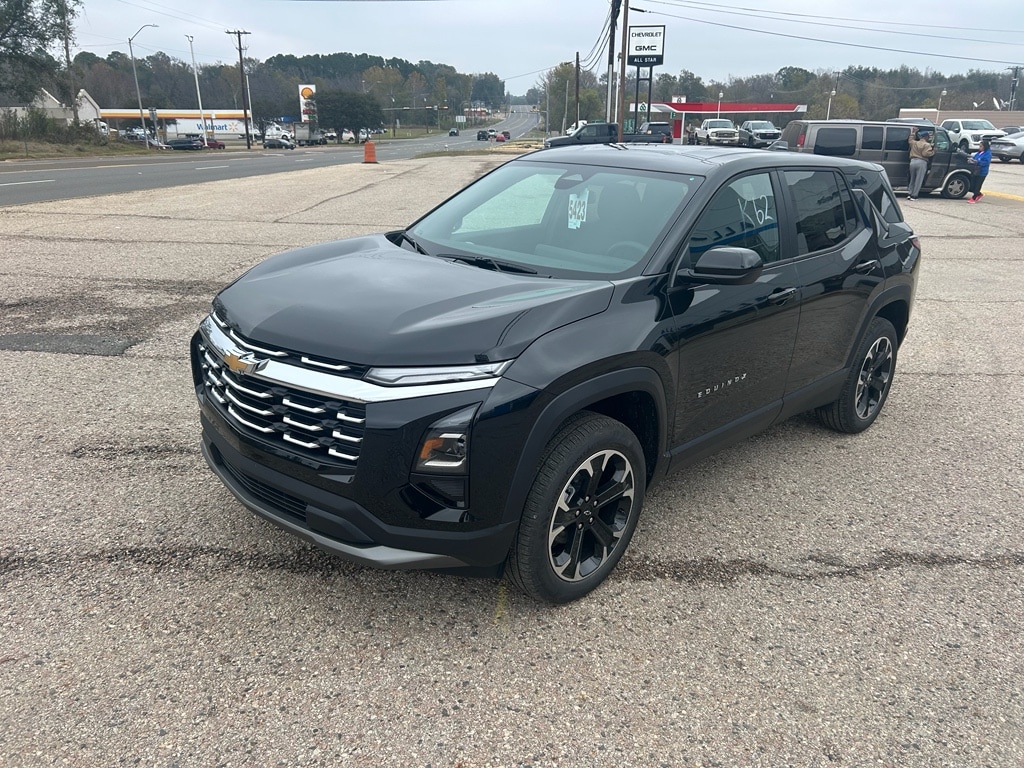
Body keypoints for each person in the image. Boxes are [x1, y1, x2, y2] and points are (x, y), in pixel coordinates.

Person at [906, 128, 936, 201]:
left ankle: (909, 193)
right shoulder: (927, 145)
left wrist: (913, 132)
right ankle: (914, 195)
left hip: (912, 161)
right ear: (926, 137)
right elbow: (925, 153)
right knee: (918, 180)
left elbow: (910, 140)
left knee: (912, 179)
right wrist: (933, 151)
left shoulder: (914, 143)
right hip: (921, 162)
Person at [967, 139, 992, 203]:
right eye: (979, 146)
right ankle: (978, 194)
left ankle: (974, 198)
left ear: (985, 147)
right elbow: (974, 158)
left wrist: (978, 162)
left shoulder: (987, 153)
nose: (979, 148)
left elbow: (986, 162)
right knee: (972, 185)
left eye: (981, 146)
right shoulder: (979, 153)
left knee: (978, 185)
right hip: (976, 171)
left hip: (982, 172)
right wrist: (971, 161)